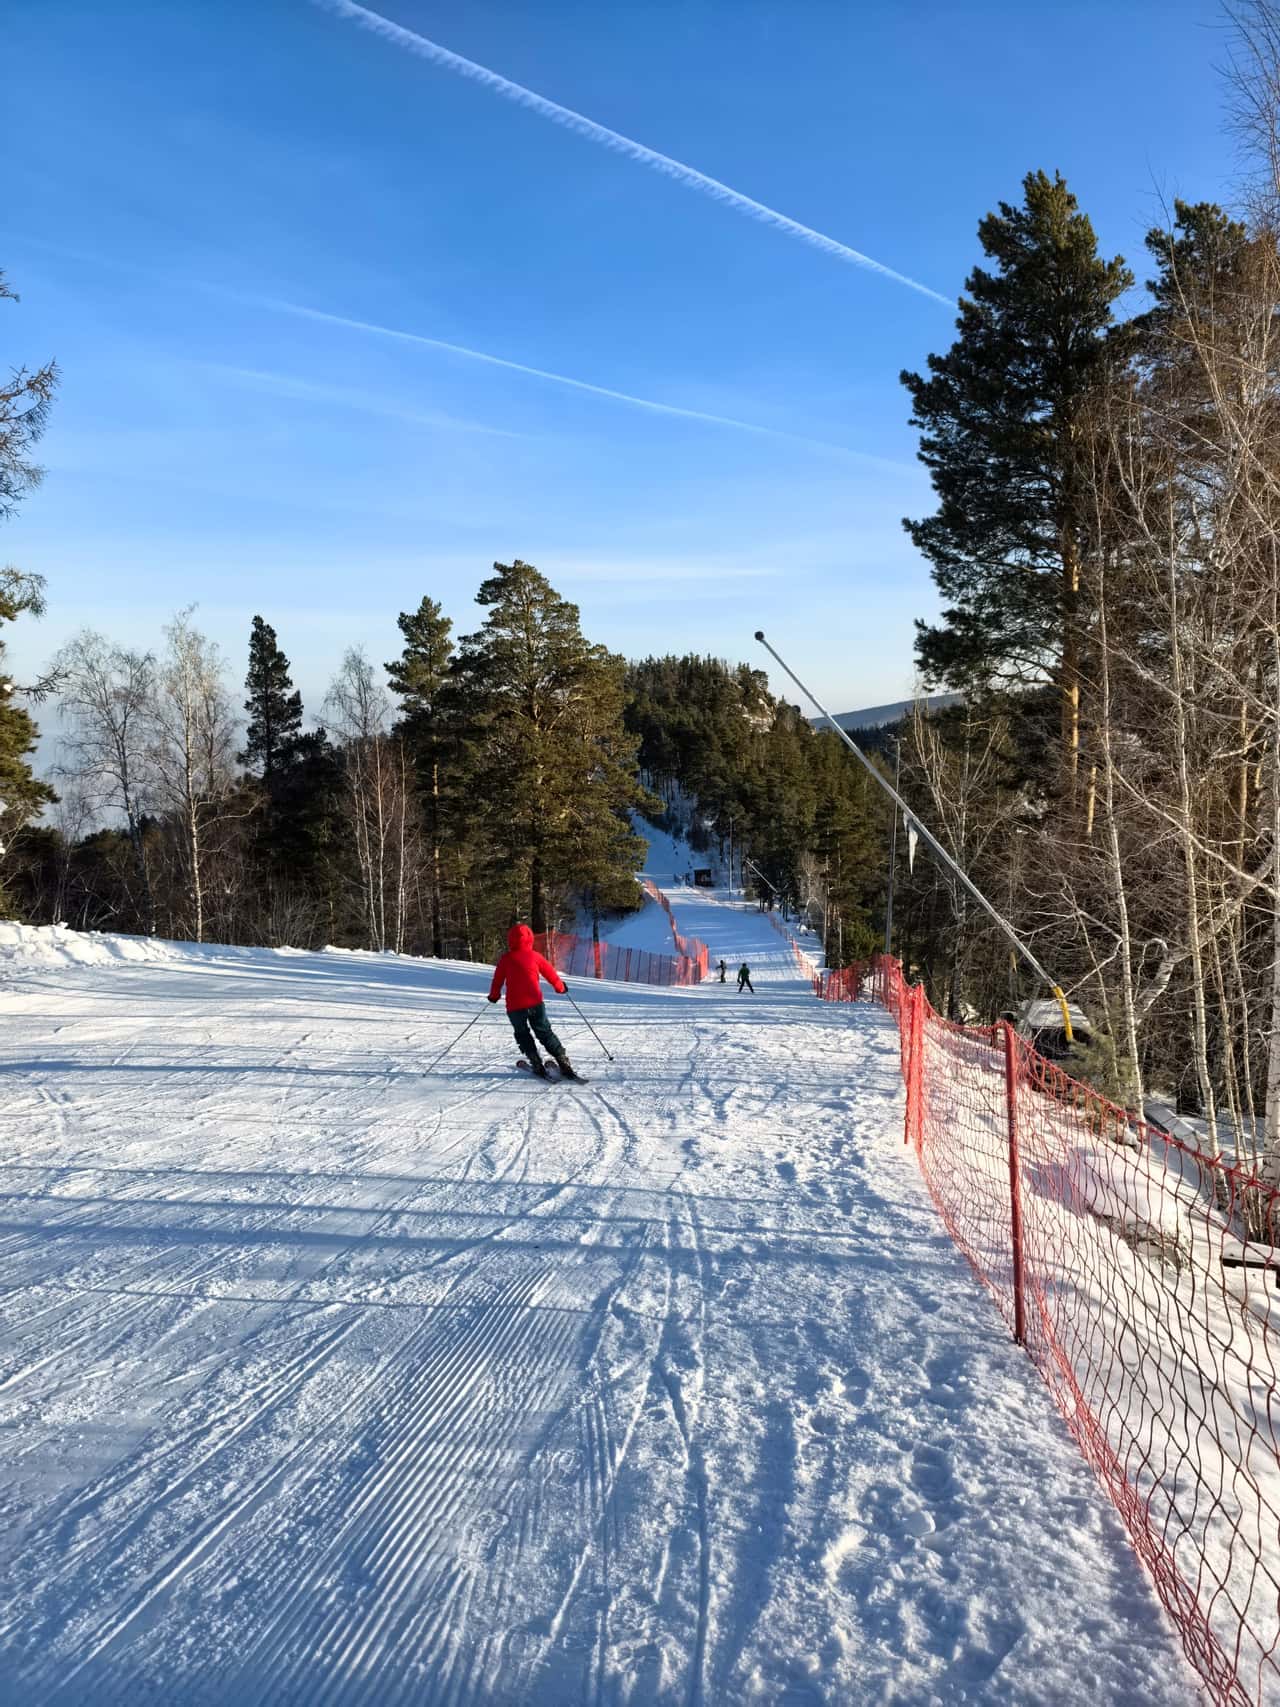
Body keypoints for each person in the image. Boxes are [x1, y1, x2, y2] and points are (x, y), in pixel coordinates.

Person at [488, 923, 581, 1080]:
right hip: (535, 1003)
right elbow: (551, 975)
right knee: (544, 1032)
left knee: (523, 1034)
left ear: (510, 940)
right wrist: (560, 988)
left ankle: (536, 1062)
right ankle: (563, 1061)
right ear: (530, 939)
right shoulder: (536, 956)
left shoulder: (506, 959)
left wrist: (494, 996)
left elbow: (497, 981)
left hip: (515, 1007)